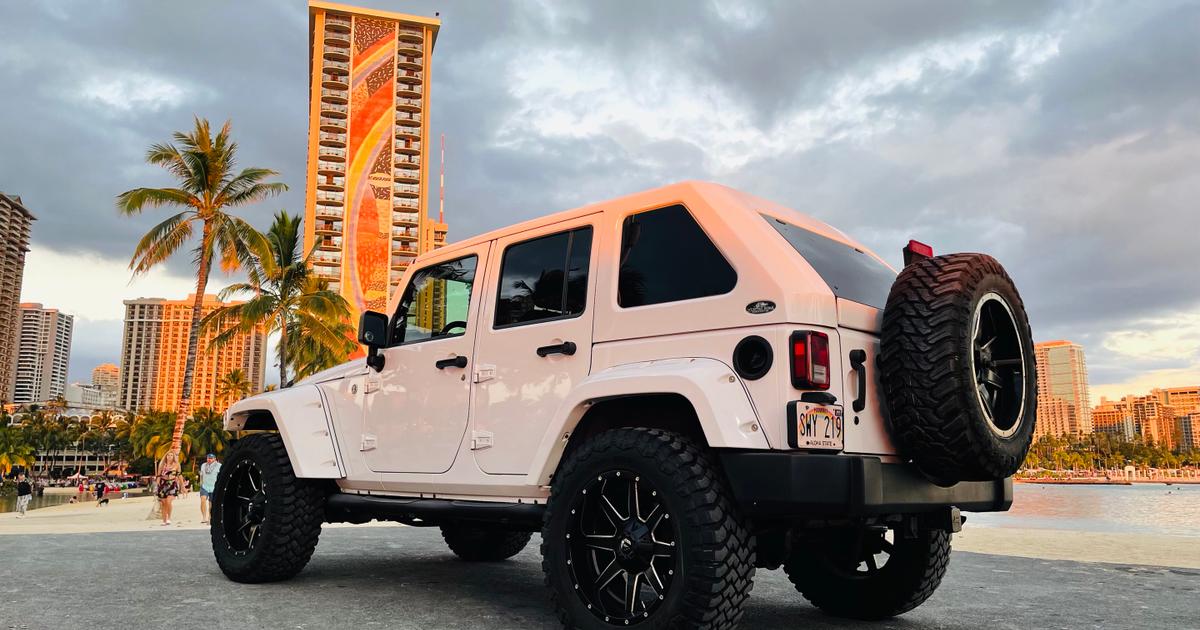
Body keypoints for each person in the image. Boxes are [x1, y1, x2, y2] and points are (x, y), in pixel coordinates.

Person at [199, 453, 221, 524]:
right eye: (208, 458)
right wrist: (201, 483)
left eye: (211, 458)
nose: (209, 459)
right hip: (204, 486)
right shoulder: (203, 465)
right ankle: (204, 517)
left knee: (211, 504)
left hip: (214, 487)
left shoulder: (219, 466)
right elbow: (201, 475)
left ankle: (210, 518)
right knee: (202, 500)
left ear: (215, 459)